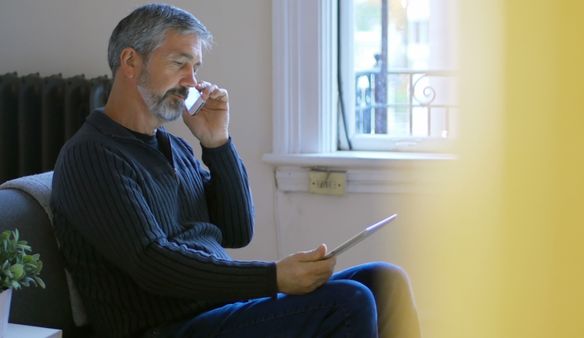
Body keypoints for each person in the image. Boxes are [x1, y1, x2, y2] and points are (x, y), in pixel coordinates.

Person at [51, 4, 421, 338]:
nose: (192, 83)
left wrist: (217, 143)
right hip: (165, 328)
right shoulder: (91, 155)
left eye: (196, 68)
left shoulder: (174, 147)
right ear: (130, 62)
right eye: (180, 64)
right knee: (348, 301)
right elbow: (151, 264)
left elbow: (237, 230)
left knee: (384, 280)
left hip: (214, 311)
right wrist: (273, 278)